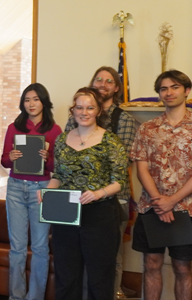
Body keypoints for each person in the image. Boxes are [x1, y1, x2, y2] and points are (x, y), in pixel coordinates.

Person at [130, 70, 192, 300]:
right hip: (151, 207)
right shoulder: (147, 128)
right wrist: (160, 202)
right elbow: (141, 167)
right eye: (163, 88)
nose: (169, 92)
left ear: (186, 90)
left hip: (185, 208)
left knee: (183, 268)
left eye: (174, 87)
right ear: (159, 94)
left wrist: (171, 201)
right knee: (151, 264)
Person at [45, 87, 127, 300]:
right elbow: (58, 175)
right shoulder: (62, 140)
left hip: (100, 214)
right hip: (66, 214)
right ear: (73, 110)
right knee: (66, 275)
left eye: (90, 107)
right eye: (79, 107)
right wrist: (47, 192)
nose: (84, 112)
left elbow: (120, 181)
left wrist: (98, 193)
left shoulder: (111, 141)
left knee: (100, 278)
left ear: (98, 110)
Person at [64, 67, 139, 298]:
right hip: (75, 200)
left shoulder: (124, 120)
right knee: (76, 259)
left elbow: (121, 163)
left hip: (113, 199)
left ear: (116, 88)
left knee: (108, 259)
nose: (103, 84)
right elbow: (65, 158)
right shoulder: (73, 120)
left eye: (109, 81)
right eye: (99, 79)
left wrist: (94, 187)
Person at [0, 83, 62, 300]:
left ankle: (35, 297)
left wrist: (48, 159)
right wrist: (12, 157)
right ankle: (16, 296)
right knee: (16, 248)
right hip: (16, 188)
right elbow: (4, 160)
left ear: (44, 101)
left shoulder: (54, 130)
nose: (31, 104)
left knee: (40, 247)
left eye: (35, 99)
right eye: (27, 100)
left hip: (42, 190)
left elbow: (59, 167)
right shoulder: (13, 127)